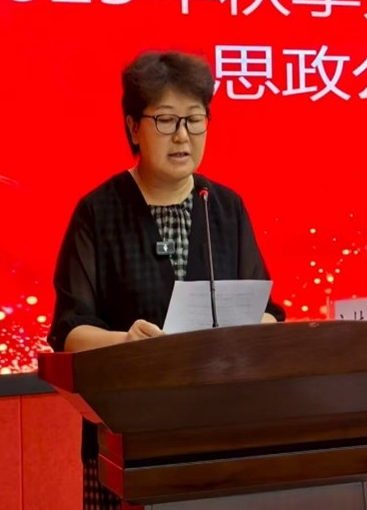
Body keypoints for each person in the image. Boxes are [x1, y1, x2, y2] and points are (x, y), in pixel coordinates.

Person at [47, 51, 284, 510]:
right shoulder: (98, 212)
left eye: (195, 120)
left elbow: (269, 313)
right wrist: (126, 342)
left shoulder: (225, 207)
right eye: (166, 120)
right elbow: (70, 331)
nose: (182, 136)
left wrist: (250, 330)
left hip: (221, 435)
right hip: (127, 436)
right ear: (133, 127)